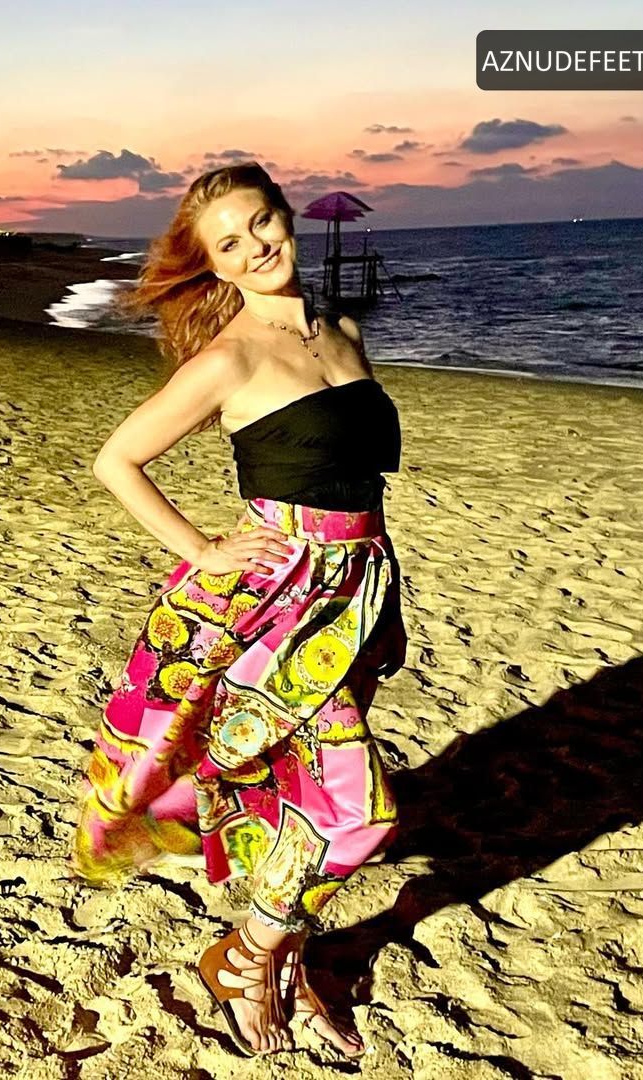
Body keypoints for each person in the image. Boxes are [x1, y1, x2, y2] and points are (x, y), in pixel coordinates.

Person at [69, 162, 408, 1059]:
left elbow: (359, 481)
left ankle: (284, 964)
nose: (255, 247)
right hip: (279, 603)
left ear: (286, 217)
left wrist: (381, 601)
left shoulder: (343, 333)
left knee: (308, 796)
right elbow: (117, 461)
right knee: (360, 814)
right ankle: (244, 958)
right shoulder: (229, 359)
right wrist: (206, 550)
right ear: (214, 266)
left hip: (356, 589)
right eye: (230, 243)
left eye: (261, 223)